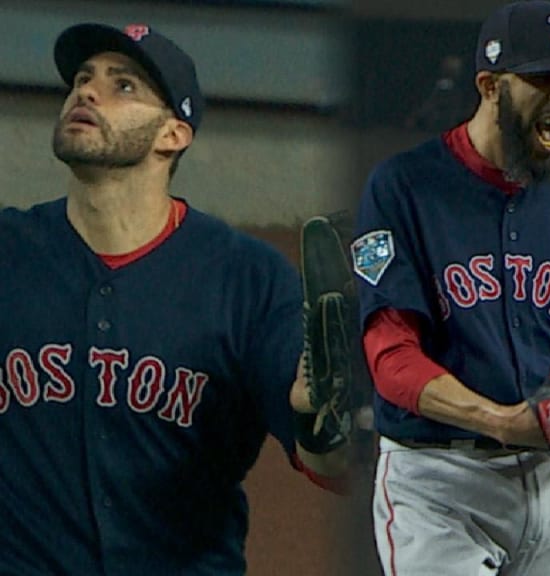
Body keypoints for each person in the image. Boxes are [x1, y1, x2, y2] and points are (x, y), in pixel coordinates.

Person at [0, 23, 346, 574]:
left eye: (125, 86)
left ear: (174, 134)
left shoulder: (247, 279)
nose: (87, 92)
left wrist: (323, 419)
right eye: (83, 79)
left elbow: (331, 463)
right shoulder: (10, 252)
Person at [351, 2, 550, 575]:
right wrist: (503, 421)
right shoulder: (405, 187)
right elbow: (390, 355)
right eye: (543, 78)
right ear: (489, 85)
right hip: (439, 483)